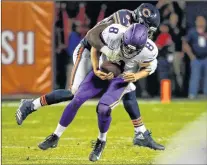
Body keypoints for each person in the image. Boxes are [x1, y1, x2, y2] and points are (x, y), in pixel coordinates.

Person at [15, 3, 161, 148]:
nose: (148, 33)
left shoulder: (135, 30)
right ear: (141, 20)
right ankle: (31, 104)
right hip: (88, 49)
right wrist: (106, 57)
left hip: (108, 56)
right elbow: (91, 36)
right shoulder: (123, 19)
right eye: (148, 28)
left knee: (128, 87)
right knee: (73, 92)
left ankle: (140, 132)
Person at [38, 23, 164, 162]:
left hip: (121, 79)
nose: (128, 51)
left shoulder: (149, 50)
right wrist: (96, 68)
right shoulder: (114, 33)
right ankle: (55, 136)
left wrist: (136, 76)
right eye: (126, 46)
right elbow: (95, 47)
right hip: (103, 71)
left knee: (103, 109)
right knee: (77, 99)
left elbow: (149, 67)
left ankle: (101, 141)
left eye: (132, 50)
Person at [183, 16, 207, 99]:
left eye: (202, 21)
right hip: (196, 58)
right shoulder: (192, 32)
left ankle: (205, 94)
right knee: (195, 76)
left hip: (206, 58)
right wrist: (191, 56)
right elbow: (185, 43)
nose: (201, 22)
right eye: (199, 21)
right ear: (196, 22)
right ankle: (192, 94)